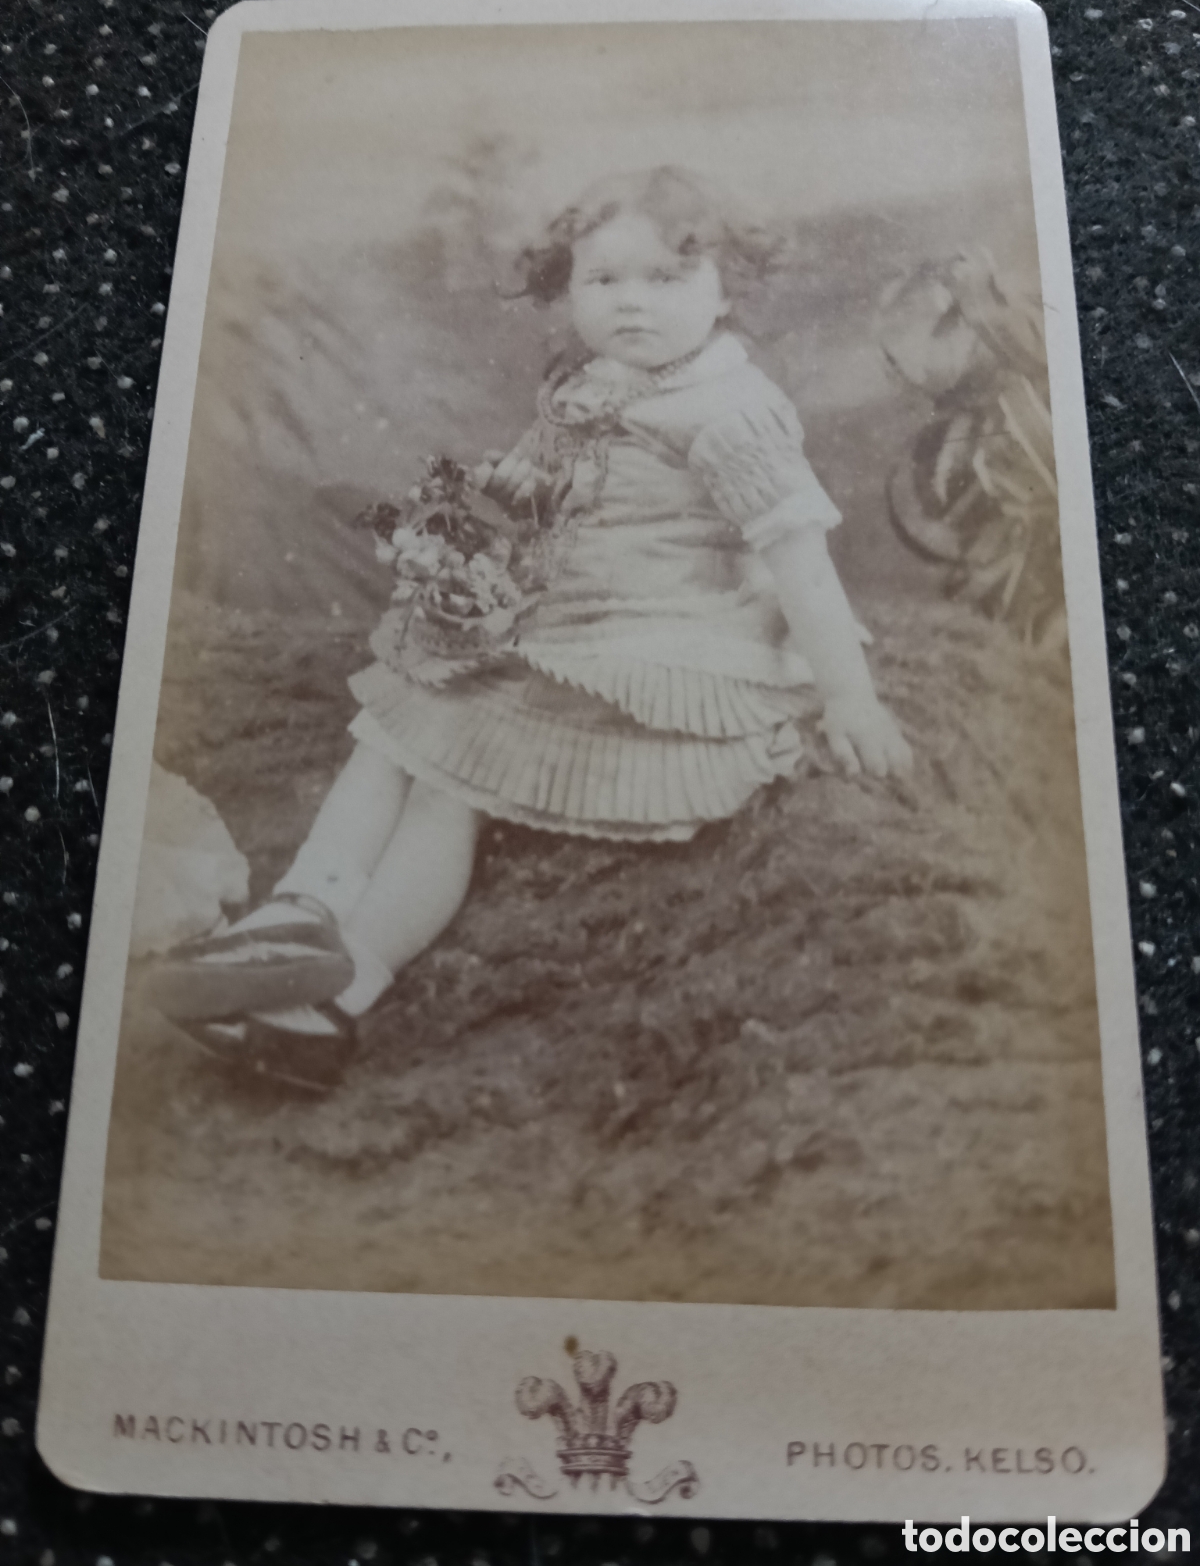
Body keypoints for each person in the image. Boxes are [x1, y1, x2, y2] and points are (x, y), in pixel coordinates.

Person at [152, 166, 911, 1090]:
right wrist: (460, 534)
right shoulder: (595, 382)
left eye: (665, 280)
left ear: (727, 291)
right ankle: (303, 905)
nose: (631, 304)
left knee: (449, 780)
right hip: (566, 617)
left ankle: (333, 997)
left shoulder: (731, 410)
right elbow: (534, 488)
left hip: (652, 646)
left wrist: (850, 698)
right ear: (566, 289)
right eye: (604, 281)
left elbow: (798, 556)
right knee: (396, 711)